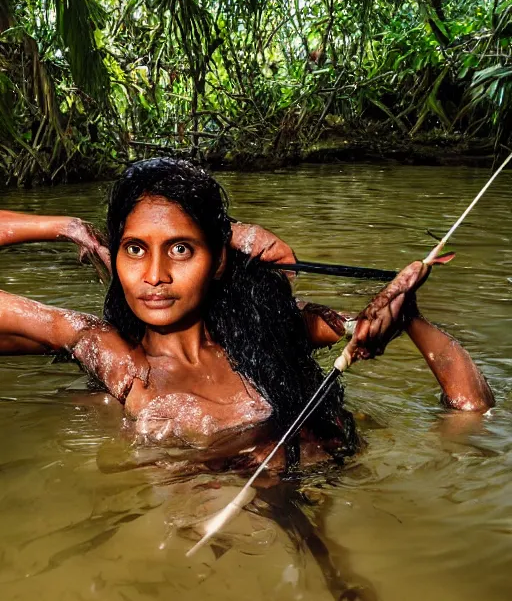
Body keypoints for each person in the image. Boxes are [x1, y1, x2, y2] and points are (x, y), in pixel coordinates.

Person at [0, 157, 495, 475]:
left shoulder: (269, 331)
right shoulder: (112, 354)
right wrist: (60, 225)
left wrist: (407, 315)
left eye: (180, 249)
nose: (154, 275)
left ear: (217, 261)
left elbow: (473, 412)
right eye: (134, 249)